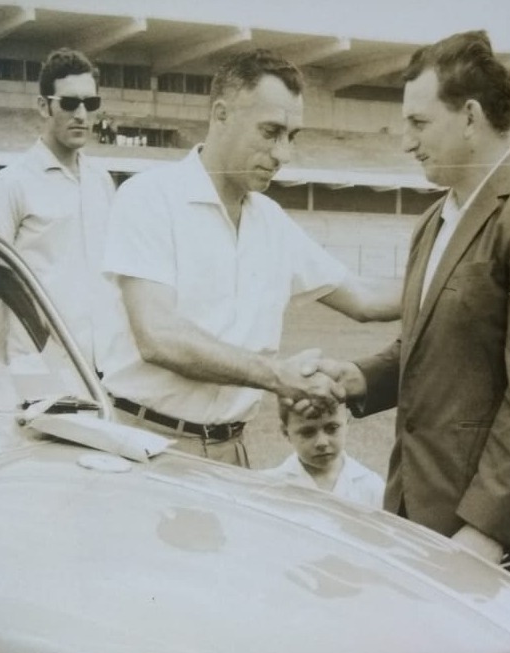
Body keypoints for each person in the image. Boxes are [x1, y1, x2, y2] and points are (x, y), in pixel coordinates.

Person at [304, 30, 510, 581]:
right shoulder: (436, 218)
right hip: (424, 508)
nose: (406, 142)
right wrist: (360, 379)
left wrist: (484, 532)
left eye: (418, 123)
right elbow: (435, 344)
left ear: (470, 117)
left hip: (496, 534)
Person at [99, 50, 400, 467]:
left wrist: (459, 277)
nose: (284, 154)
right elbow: (158, 337)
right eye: (271, 131)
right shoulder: (149, 198)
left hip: (233, 452)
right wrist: (277, 375)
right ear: (221, 115)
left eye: (292, 135)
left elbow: (365, 299)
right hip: (147, 445)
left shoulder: (271, 221)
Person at [0, 47, 115, 369]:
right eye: (69, 103)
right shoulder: (10, 184)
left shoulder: (102, 182)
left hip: (102, 372)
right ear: (44, 106)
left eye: (91, 103)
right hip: (38, 372)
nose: (82, 115)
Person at [263, 401, 385, 509]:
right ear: (286, 432)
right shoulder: (270, 487)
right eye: (307, 432)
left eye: (332, 428)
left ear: (347, 422)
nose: (322, 442)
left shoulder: (371, 487)